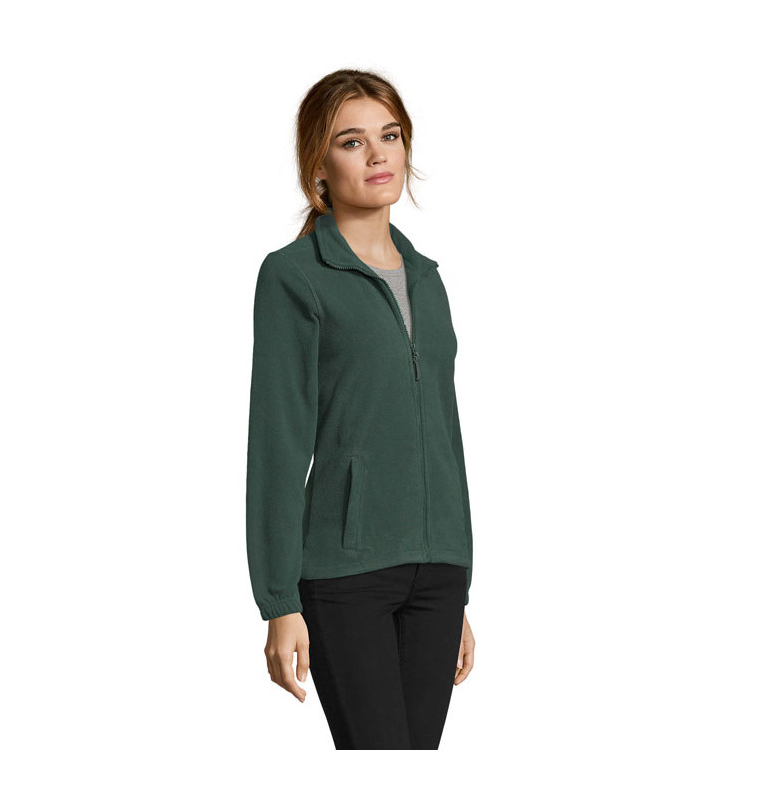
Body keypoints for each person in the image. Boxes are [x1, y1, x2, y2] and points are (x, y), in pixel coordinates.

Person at [245, 68, 476, 749]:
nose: (377, 155)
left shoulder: (428, 280)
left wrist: (456, 586)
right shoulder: (294, 276)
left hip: (437, 576)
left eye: (390, 136)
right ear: (317, 165)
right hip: (344, 574)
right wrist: (279, 601)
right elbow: (278, 442)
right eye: (352, 142)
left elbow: (445, 436)